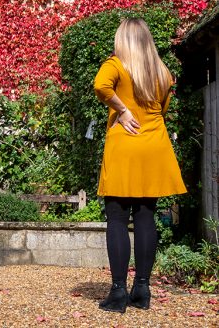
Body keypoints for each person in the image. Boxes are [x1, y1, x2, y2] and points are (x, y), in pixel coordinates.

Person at [93, 18, 187, 313]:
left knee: (118, 218)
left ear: (123, 40)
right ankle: (142, 290)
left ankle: (119, 292)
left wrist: (121, 109)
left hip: (125, 146)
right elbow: (163, 108)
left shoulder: (116, 64)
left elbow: (100, 86)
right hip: (154, 147)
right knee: (146, 216)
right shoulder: (161, 71)